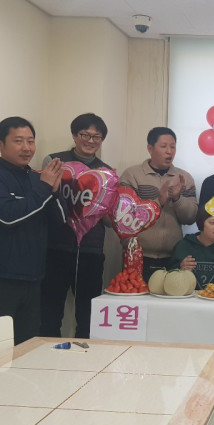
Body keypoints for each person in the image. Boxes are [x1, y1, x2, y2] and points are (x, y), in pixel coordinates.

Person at [39, 113, 112, 339]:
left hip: (91, 250)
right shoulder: (55, 161)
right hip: (56, 247)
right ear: (74, 135)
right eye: (85, 135)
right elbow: (43, 200)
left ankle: (86, 355)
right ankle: (48, 354)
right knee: (50, 311)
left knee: (88, 314)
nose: (90, 141)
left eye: (97, 137)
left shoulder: (107, 173)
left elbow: (108, 219)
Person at [0, 116, 65, 344]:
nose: (27, 148)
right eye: (18, 141)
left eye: (30, 141)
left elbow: (60, 221)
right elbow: (8, 217)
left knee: (27, 346)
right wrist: (44, 188)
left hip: (34, 277)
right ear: (1, 144)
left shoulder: (38, 178)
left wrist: (54, 192)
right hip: (5, 279)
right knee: (3, 347)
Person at [120, 127, 198, 281]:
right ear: (150, 148)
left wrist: (177, 199)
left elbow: (190, 218)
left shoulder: (184, 178)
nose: (169, 151)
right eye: (163, 146)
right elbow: (124, 216)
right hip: (137, 255)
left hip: (173, 258)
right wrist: (158, 202)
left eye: (173, 147)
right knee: (137, 296)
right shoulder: (132, 175)